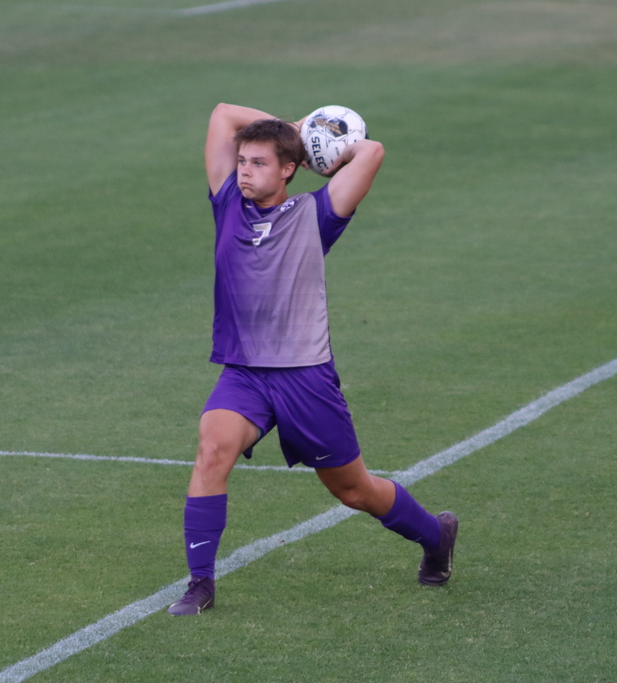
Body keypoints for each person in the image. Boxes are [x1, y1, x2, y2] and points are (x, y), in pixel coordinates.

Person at [167, 103, 457, 616]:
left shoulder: (317, 214)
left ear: (288, 168)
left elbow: (372, 151)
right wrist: (292, 128)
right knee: (212, 449)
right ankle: (200, 584)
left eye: (259, 163)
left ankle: (436, 535)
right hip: (246, 375)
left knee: (354, 491)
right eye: (243, 161)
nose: (245, 171)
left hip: (306, 378)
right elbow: (221, 114)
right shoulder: (228, 203)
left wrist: (314, 142)